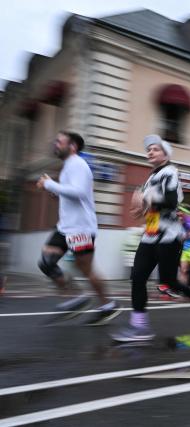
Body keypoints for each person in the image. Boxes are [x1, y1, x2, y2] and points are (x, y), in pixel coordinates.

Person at [111, 135, 190, 342]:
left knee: (168, 281)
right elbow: (152, 207)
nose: (150, 152)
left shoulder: (170, 172)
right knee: (138, 277)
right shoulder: (151, 177)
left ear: (166, 154)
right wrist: (140, 210)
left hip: (169, 235)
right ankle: (140, 326)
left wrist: (147, 200)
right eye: (149, 149)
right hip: (151, 235)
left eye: (155, 149)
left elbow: (170, 201)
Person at [36, 131, 121, 325]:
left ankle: (108, 305)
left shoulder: (79, 164)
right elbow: (68, 194)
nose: (55, 144)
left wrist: (50, 184)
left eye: (59, 141)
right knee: (46, 262)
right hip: (65, 227)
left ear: (72, 146)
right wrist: (54, 191)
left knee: (86, 269)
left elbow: (79, 192)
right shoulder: (67, 167)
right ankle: (76, 298)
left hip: (80, 229)